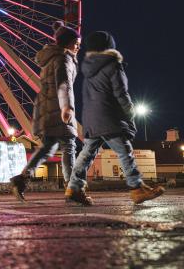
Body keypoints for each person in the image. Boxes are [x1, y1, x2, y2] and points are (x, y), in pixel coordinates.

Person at [65, 31, 164, 205]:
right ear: (109, 47)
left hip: (90, 118)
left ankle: (73, 186)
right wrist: (130, 111)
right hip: (109, 117)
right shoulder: (112, 65)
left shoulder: (87, 70)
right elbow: (121, 93)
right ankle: (136, 188)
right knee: (125, 151)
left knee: (87, 153)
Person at [10, 21, 81, 202]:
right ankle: (73, 188)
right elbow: (64, 84)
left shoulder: (49, 59)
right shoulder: (64, 58)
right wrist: (67, 106)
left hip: (44, 109)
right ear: (66, 43)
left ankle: (22, 179)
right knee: (69, 146)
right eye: (76, 43)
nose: (78, 47)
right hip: (57, 108)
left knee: (47, 148)